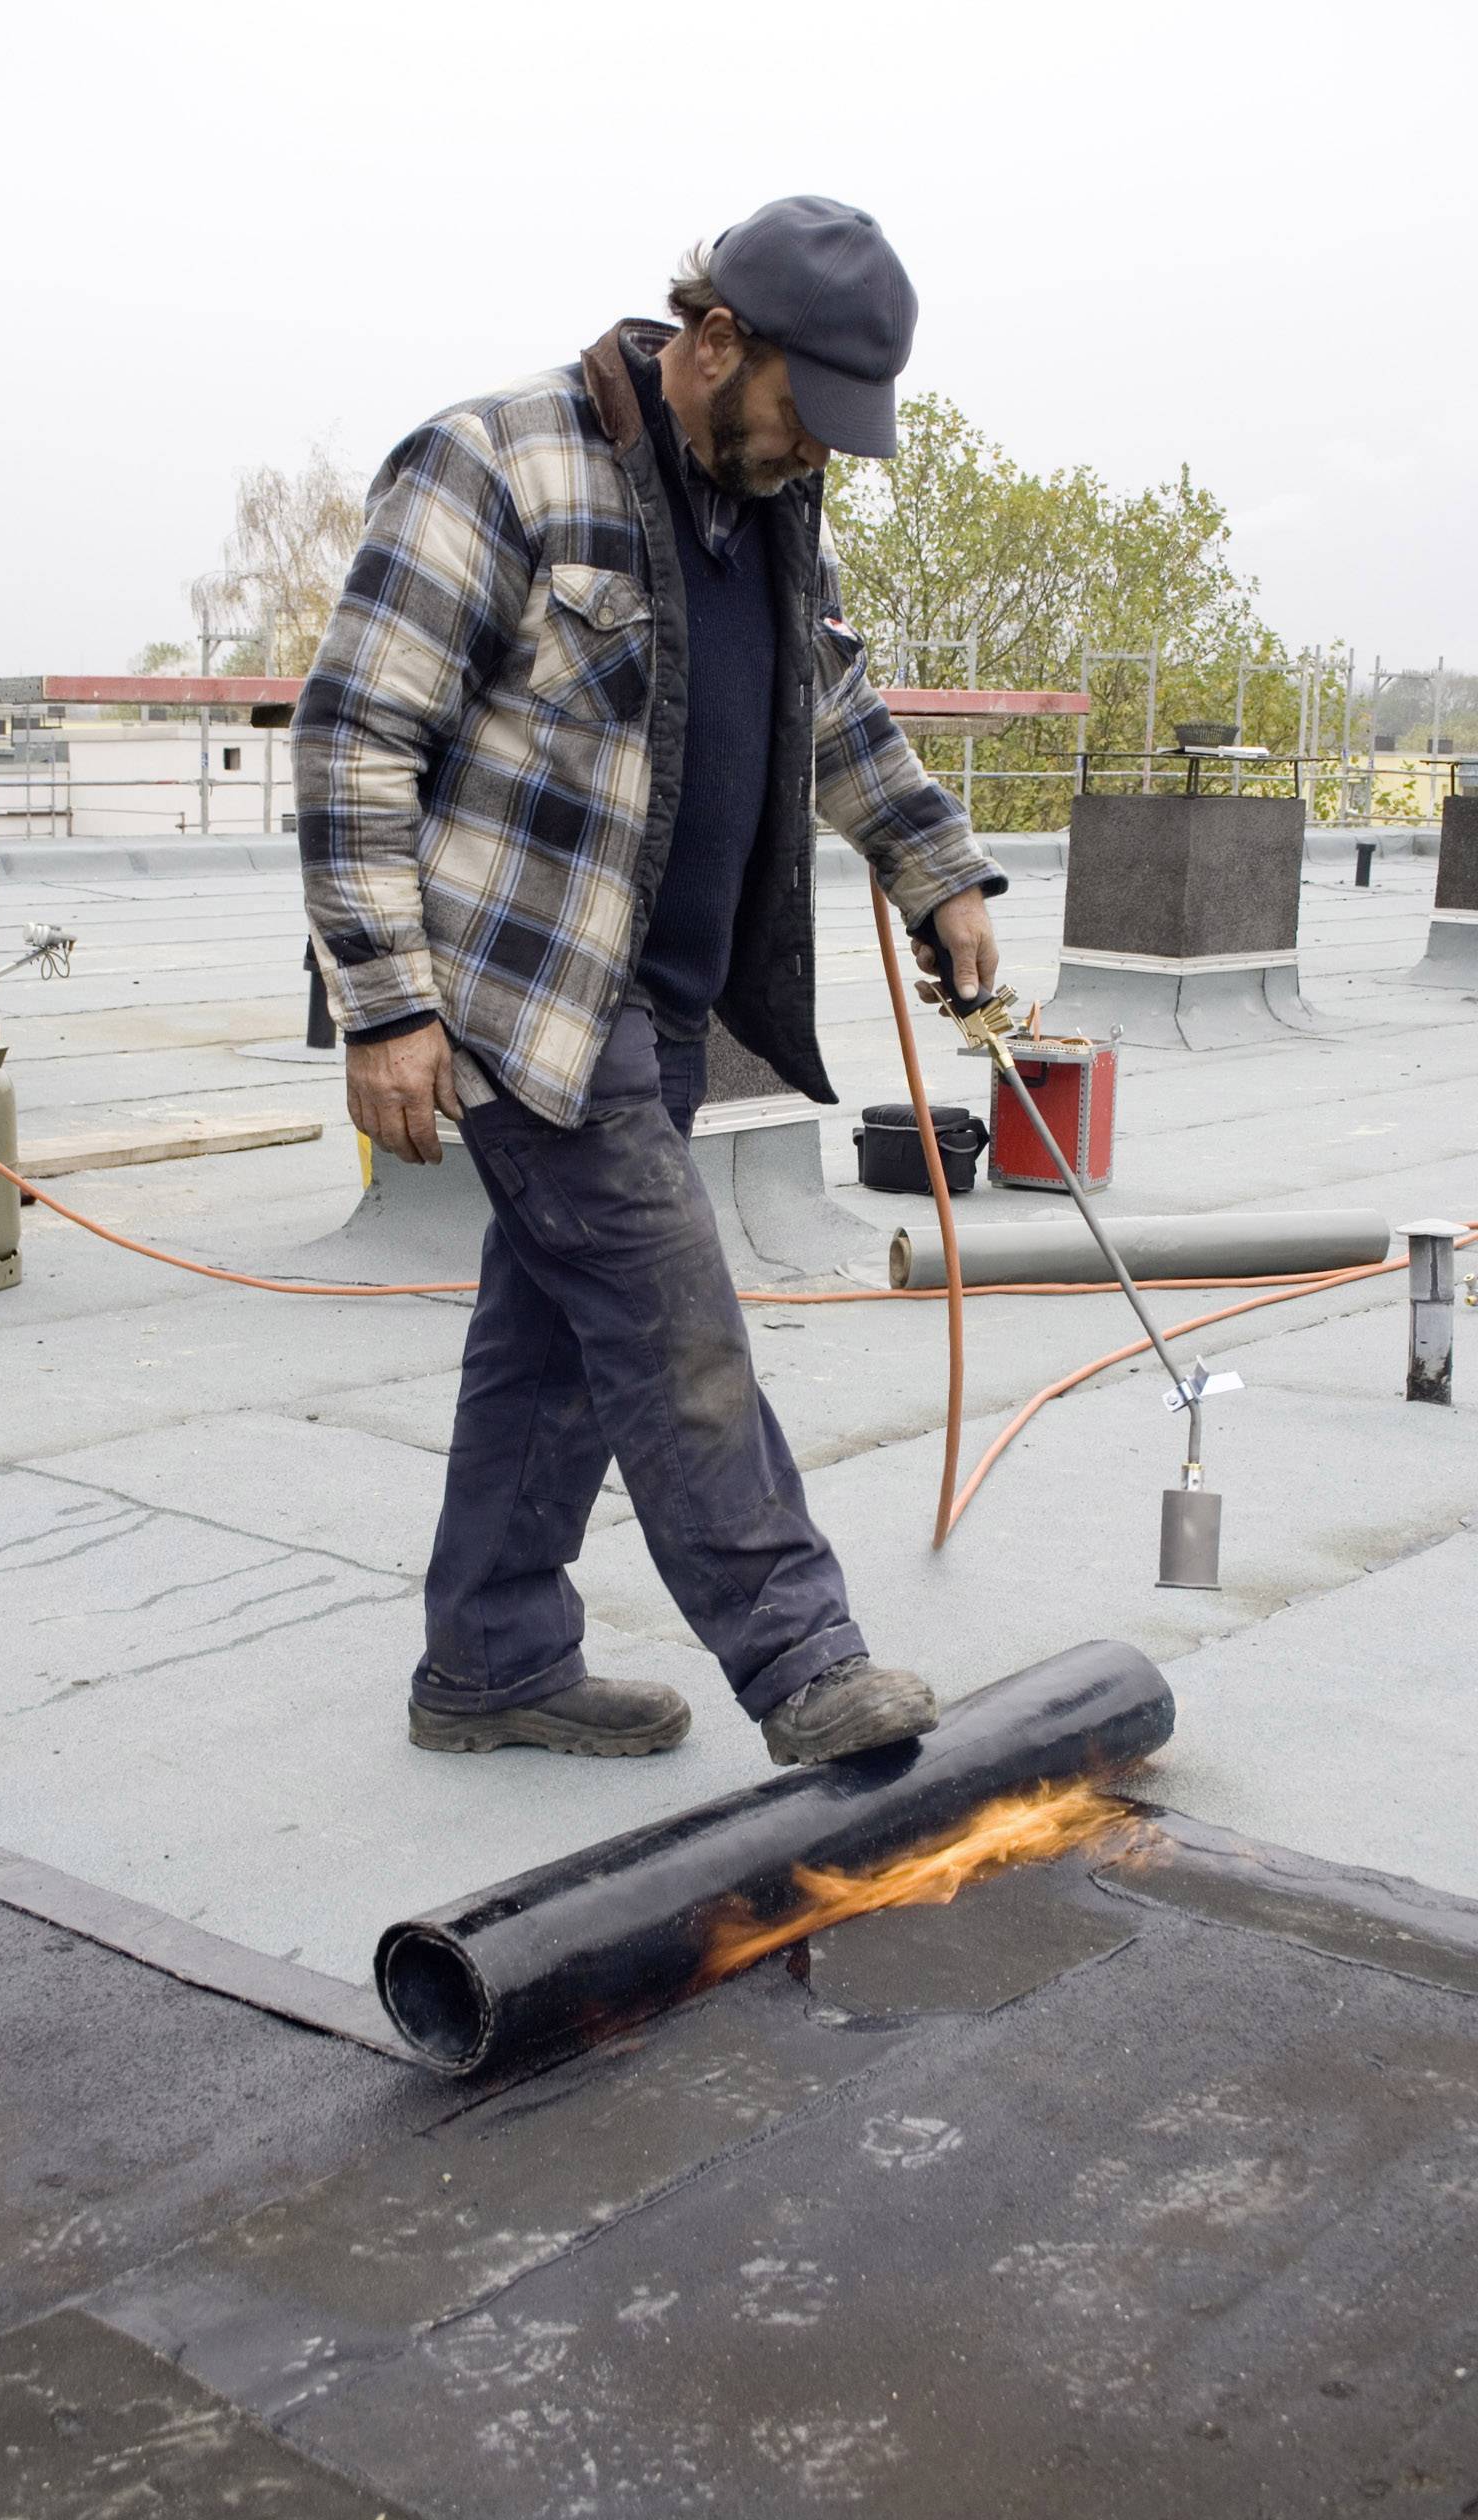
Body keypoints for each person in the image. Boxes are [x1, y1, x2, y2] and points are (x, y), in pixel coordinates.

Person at [295, 195, 1005, 1769]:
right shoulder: (497, 463)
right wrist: (389, 1007)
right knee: (674, 1319)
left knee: (548, 1342)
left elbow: (832, 711)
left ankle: (490, 1660)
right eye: (800, 414)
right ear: (715, 340)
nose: (815, 450)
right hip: (523, 999)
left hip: (664, 1006)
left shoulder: (765, 508)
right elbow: (354, 736)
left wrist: (936, 867)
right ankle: (804, 1661)